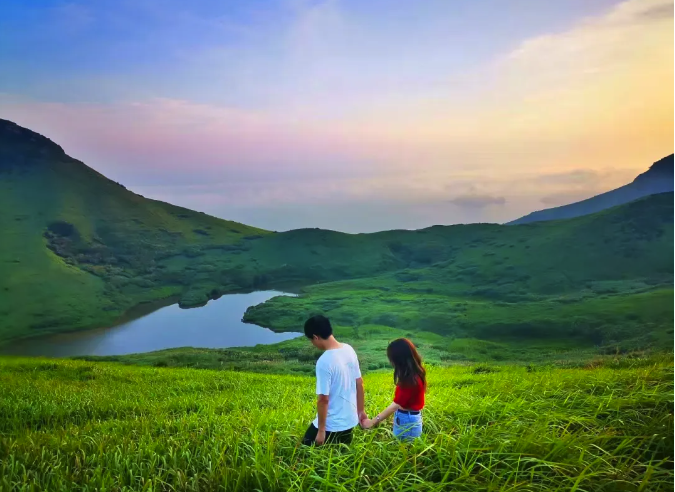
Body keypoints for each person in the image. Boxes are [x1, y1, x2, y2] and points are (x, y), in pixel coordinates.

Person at [301, 315, 366, 446]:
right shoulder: (349, 349)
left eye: (311, 340)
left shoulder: (324, 362)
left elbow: (323, 399)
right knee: (341, 458)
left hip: (332, 425)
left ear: (316, 337)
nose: (312, 344)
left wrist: (321, 431)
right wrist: (361, 411)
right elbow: (359, 383)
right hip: (349, 421)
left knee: (303, 453)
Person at [360, 338, 426, 441]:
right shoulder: (414, 374)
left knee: (403, 454)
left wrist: (372, 422)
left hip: (407, 422)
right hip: (406, 419)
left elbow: (395, 405)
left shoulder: (411, 380)